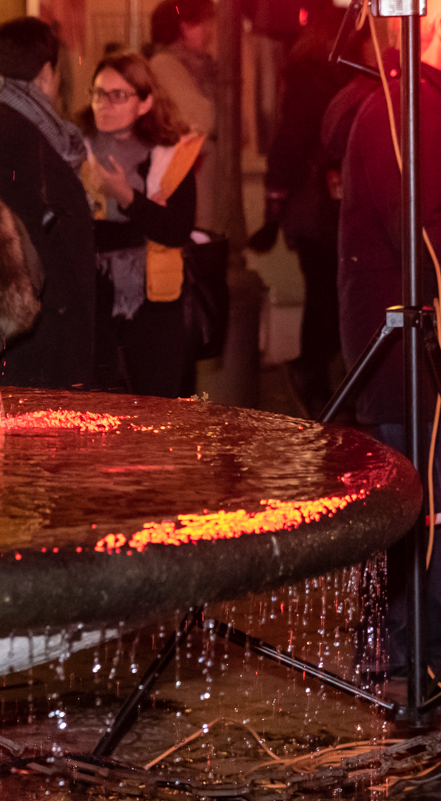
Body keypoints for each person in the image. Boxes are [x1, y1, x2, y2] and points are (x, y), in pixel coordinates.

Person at [336, 0, 441, 676]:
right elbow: (425, 234)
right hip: (407, 357)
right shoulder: (402, 109)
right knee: (415, 506)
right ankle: (399, 643)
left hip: (418, 354)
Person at [249, 5, 369, 417]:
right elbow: (290, 142)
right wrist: (274, 207)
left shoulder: (316, 78)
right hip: (317, 207)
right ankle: (311, 375)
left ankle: (317, 378)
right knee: (327, 295)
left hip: (315, 206)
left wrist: (275, 208)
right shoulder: (317, 81)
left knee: (328, 293)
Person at [0, 16, 96, 390]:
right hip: (43, 324)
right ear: (46, 73)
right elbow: (46, 233)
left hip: (27, 319)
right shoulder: (24, 136)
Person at [80, 53, 201, 398]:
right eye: (98, 94)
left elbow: (176, 230)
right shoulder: (77, 151)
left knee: (156, 410)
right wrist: (143, 216)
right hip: (94, 306)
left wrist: (127, 197)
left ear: (145, 103)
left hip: (155, 307)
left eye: (118, 95)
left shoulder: (171, 156)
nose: (104, 105)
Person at [148, 0, 217, 230]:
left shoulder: (202, 68)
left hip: (201, 181)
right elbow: (203, 119)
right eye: (200, 22)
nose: (208, 30)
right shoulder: (165, 65)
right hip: (189, 183)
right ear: (182, 27)